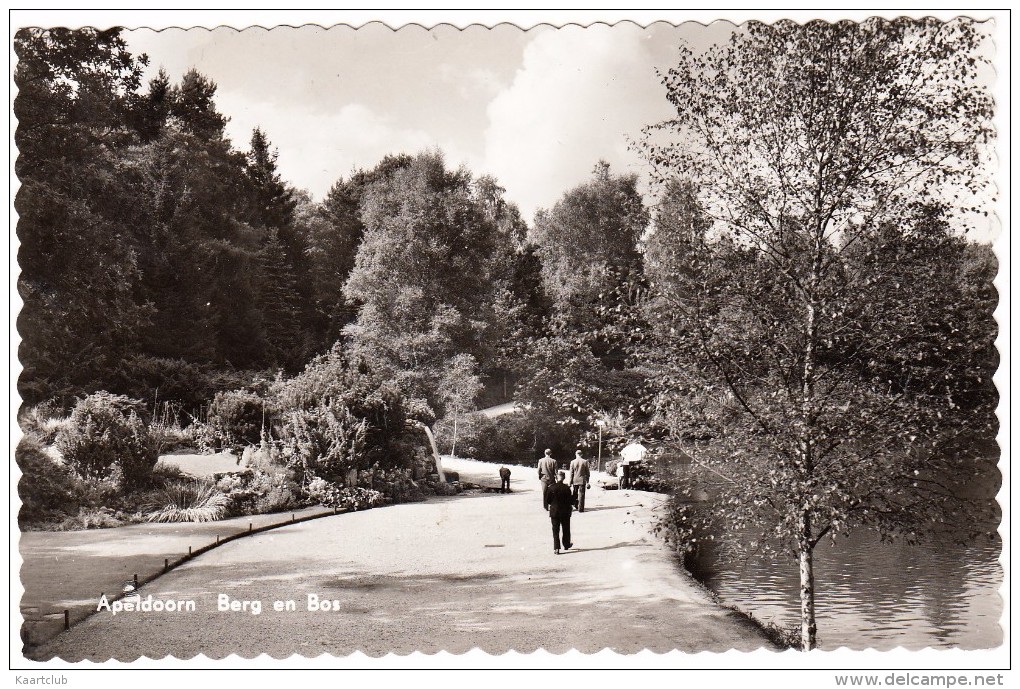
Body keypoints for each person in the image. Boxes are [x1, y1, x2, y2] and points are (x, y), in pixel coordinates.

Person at [545, 471, 574, 554]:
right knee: (566, 529)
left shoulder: (551, 488)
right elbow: (571, 501)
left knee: (555, 530)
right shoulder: (567, 488)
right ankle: (566, 544)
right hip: (565, 512)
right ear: (564, 478)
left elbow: (548, 500)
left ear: (556, 477)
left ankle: (556, 548)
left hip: (554, 511)